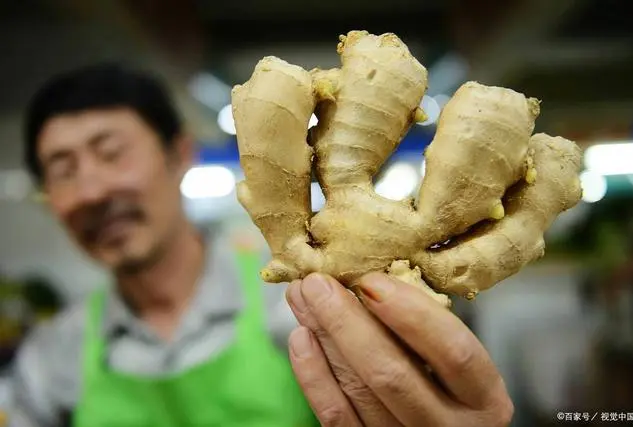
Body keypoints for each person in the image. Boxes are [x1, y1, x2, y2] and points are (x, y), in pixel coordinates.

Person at [9, 63, 513, 427]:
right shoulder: (50, 358)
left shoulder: (303, 303)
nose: (93, 191)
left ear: (178, 155)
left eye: (111, 153)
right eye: (63, 171)